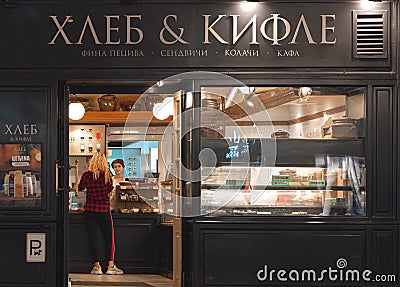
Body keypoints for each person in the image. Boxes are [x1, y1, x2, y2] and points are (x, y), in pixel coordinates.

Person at [78, 152, 124, 275]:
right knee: (109, 238)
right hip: (104, 210)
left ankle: (97, 266)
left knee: (94, 238)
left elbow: (80, 187)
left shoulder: (87, 175)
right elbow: (110, 189)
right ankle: (110, 266)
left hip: (90, 210)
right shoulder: (108, 175)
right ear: (104, 163)